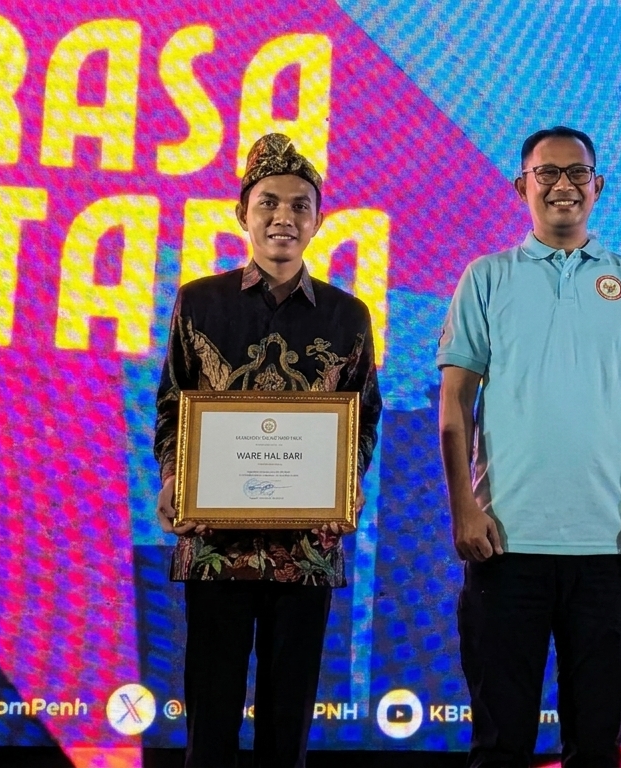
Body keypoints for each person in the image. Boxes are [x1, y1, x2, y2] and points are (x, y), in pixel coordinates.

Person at [437, 125, 621, 768]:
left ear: (598, 186)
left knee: (596, 749)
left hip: (609, 547)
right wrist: (464, 509)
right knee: (500, 748)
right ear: (522, 186)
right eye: (547, 173)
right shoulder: (486, 278)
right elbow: (455, 409)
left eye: (577, 173)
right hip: (503, 544)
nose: (562, 185)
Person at [153, 133, 382, 768]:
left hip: (306, 544)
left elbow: (364, 415)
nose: (284, 216)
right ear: (242, 214)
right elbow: (173, 401)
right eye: (268, 203)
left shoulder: (347, 314)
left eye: (300, 205)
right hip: (214, 542)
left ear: (318, 220)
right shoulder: (200, 301)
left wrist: (348, 482)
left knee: (287, 731)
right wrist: (172, 475)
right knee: (211, 725)